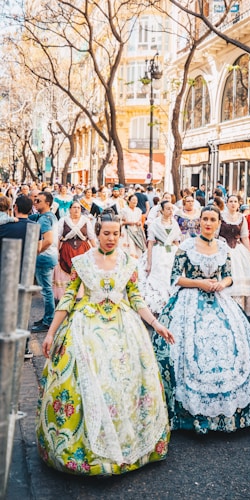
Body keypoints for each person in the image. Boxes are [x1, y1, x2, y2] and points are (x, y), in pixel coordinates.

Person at [36, 210, 174, 475]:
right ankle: (85, 447)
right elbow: (67, 299)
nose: (111, 238)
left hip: (124, 328)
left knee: (126, 382)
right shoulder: (82, 262)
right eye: (106, 233)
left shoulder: (128, 262)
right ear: (97, 233)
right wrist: (52, 332)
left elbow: (135, 299)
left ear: (121, 235)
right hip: (86, 327)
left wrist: (156, 325)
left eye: (116, 234)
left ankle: (128, 443)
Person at [153, 206, 250, 433]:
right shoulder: (186, 246)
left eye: (212, 219)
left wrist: (221, 284)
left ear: (218, 223)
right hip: (189, 302)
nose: (208, 223)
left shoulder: (223, 247)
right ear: (200, 222)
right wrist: (200, 283)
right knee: (185, 352)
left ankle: (227, 410)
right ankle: (190, 412)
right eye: (204, 219)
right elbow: (176, 278)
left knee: (233, 348)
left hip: (219, 300)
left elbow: (229, 277)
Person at [0, 195, 39, 359]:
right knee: (23, 311)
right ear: (31, 209)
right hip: (26, 273)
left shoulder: (5, 226)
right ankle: (24, 349)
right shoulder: (34, 226)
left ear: (15, 207)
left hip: (6, 272)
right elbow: (37, 249)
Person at [218, 195, 250, 317]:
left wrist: (248, 253)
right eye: (230, 201)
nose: (233, 204)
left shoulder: (241, 218)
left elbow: (244, 236)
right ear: (226, 203)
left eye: (235, 201)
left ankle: (240, 308)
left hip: (238, 249)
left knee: (241, 275)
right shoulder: (221, 216)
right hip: (222, 247)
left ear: (238, 204)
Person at [139, 200, 181, 314]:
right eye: (167, 208)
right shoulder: (155, 224)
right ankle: (159, 305)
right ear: (161, 210)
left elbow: (177, 241)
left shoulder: (174, 223)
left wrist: (180, 257)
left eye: (171, 208)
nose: (170, 211)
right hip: (159, 251)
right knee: (158, 277)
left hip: (171, 251)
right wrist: (149, 262)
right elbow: (150, 243)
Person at [52, 201, 96, 301]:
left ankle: (81, 296)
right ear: (70, 209)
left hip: (83, 251)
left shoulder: (85, 221)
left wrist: (96, 250)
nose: (76, 210)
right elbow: (58, 237)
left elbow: (91, 237)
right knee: (66, 273)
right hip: (67, 250)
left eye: (78, 208)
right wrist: (57, 252)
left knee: (82, 273)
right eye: (74, 207)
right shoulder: (63, 220)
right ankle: (67, 297)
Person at [29, 192, 59, 333]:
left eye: (38, 200)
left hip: (44, 258)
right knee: (47, 290)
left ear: (47, 203)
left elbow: (48, 240)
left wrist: (35, 252)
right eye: (34, 200)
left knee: (46, 291)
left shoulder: (45, 219)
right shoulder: (48, 216)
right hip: (49, 257)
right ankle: (48, 317)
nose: (35, 202)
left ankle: (48, 321)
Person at [120, 194, 147, 259]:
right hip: (127, 231)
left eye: (136, 200)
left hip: (137, 230)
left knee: (138, 248)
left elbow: (140, 220)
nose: (135, 201)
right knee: (129, 249)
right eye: (133, 200)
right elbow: (120, 222)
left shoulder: (138, 210)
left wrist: (139, 223)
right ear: (129, 201)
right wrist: (128, 222)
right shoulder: (124, 210)